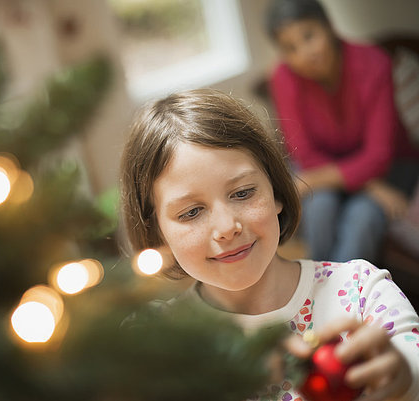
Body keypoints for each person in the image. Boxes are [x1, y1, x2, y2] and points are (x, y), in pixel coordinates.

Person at [120, 88, 419, 401]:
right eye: (191, 212)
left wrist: (404, 378)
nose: (226, 228)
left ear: (276, 191)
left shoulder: (362, 290)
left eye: (243, 193)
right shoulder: (154, 341)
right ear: (157, 231)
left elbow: (410, 363)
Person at [266, 0, 419, 263]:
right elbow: (303, 153)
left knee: (363, 217)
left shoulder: (374, 63)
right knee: (320, 205)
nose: (305, 53)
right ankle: (319, 288)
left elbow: (379, 155)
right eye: (291, 48)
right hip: (334, 169)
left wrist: (363, 183)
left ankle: (344, 300)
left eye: (309, 36)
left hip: (390, 168)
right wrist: (369, 186)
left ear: (329, 27)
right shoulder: (283, 77)